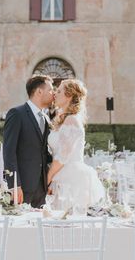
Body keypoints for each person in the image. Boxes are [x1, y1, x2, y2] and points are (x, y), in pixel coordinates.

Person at [47, 79, 105, 209]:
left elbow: (62, 158)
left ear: (69, 96)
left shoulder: (72, 120)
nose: (55, 93)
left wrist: (47, 180)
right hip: (61, 174)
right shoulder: (65, 119)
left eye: (59, 91)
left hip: (71, 178)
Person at [2, 75, 54, 208]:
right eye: (50, 90)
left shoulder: (46, 118)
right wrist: (14, 185)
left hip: (41, 188)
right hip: (22, 186)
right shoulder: (17, 114)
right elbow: (9, 152)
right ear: (39, 92)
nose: (53, 93)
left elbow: (44, 153)